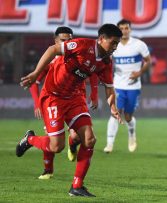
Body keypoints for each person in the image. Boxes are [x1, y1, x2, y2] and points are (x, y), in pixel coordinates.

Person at [16, 24, 123, 197]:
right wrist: (36, 73)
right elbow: (53, 49)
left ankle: (77, 186)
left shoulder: (105, 62)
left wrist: (113, 107)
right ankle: (30, 139)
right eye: (113, 43)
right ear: (101, 39)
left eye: (117, 44)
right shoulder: (82, 45)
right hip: (53, 97)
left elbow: (109, 88)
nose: (115, 47)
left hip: (74, 99)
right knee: (56, 146)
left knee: (89, 139)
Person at [28, 26, 99, 180]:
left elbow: (93, 71)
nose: (67, 43)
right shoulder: (51, 60)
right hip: (54, 101)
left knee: (82, 136)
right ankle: (47, 168)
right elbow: (34, 82)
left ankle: (73, 145)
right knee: (54, 142)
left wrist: (94, 93)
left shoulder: (80, 53)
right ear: (56, 41)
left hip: (75, 99)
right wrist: (37, 103)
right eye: (63, 40)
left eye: (69, 40)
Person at [104, 19, 151, 153]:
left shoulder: (139, 44)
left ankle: (131, 135)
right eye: (122, 29)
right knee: (115, 113)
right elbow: (106, 61)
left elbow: (148, 61)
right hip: (117, 85)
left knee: (128, 116)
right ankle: (109, 144)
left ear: (130, 29)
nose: (124, 31)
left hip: (133, 86)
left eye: (126, 28)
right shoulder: (113, 45)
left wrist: (139, 73)